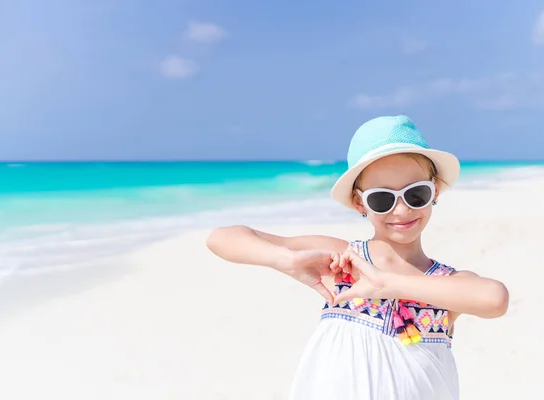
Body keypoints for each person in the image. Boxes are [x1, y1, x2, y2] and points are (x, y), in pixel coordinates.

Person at [206, 115, 509, 400]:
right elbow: (221, 238)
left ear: (436, 191)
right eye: (382, 198)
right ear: (358, 202)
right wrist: (282, 259)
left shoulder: (444, 285)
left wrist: (390, 284)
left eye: (416, 194)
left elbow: (494, 299)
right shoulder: (343, 262)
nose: (402, 210)